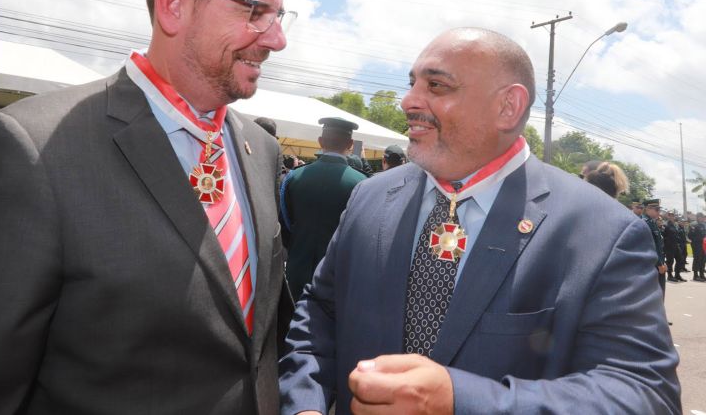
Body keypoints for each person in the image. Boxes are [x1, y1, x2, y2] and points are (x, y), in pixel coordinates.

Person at [0, 0, 296, 414]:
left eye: (278, 16)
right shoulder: (31, 151)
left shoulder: (261, 151)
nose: (276, 39)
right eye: (255, 11)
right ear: (174, 4)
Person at [279, 28, 680, 414]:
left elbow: (645, 395)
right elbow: (320, 313)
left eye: (436, 85)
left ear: (508, 106)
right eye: (412, 83)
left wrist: (460, 400)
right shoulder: (370, 197)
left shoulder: (601, 231)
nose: (408, 101)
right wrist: (306, 404)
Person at [279, 117, 367, 299]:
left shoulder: (294, 177)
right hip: (338, 275)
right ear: (350, 144)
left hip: (298, 269)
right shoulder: (363, 184)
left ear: (320, 141)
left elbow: (285, 224)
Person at [662, 210, 686, 282]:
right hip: (669, 247)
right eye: (670, 215)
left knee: (680, 259)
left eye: (673, 215)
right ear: (668, 216)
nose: (671, 216)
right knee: (670, 261)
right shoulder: (665, 225)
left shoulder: (675, 225)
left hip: (676, 245)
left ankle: (677, 275)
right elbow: (663, 236)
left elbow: (676, 235)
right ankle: (670, 276)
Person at [689, 213, 706, 282]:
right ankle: (695, 275)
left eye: (702, 217)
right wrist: (698, 240)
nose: (702, 218)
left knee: (703, 260)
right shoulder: (694, 225)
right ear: (698, 217)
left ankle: (702, 274)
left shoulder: (703, 225)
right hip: (696, 246)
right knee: (697, 259)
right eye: (701, 217)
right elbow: (690, 236)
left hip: (703, 245)